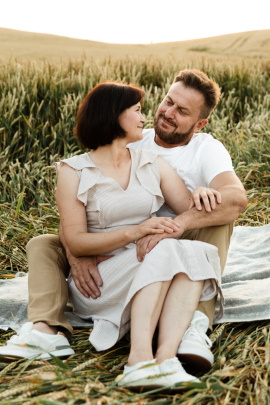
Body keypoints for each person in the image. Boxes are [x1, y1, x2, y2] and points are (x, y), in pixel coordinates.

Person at [0, 70, 247, 375]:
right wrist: (76, 253)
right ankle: (46, 328)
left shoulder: (205, 148)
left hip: (178, 234)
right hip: (123, 242)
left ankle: (195, 321)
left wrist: (185, 215)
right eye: (168, 102)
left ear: (199, 124)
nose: (166, 113)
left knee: (218, 214)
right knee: (43, 244)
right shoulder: (132, 140)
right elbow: (77, 207)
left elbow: (236, 199)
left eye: (181, 111)